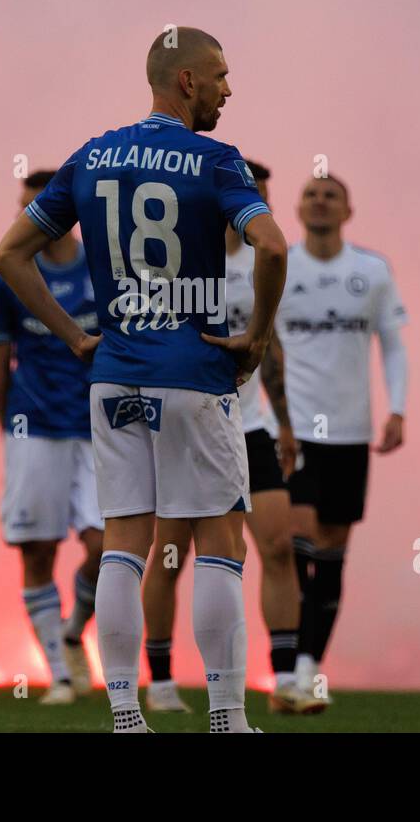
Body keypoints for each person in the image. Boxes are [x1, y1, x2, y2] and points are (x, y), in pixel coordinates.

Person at [0, 26, 287, 733]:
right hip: (193, 374)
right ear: (185, 81)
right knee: (220, 541)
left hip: (115, 375)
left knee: (126, 542)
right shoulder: (216, 161)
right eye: (219, 74)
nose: (228, 88)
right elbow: (272, 245)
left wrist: (73, 337)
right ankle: (226, 715)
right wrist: (257, 335)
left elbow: (9, 254)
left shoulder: (93, 155)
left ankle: (124, 711)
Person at [141, 160, 322, 714]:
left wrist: (286, 422)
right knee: (171, 553)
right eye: (250, 196)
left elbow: (267, 347)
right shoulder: (182, 256)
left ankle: (286, 680)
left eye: (263, 198)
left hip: (250, 425)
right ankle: (163, 679)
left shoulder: (263, 264)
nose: (255, 209)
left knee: (278, 545)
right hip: (190, 423)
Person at [278, 175, 409, 700]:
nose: (320, 201)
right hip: (294, 430)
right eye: (311, 193)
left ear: (348, 210)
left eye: (331, 195)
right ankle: (285, 664)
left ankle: (307, 669)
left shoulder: (371, 271)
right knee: (293, 536)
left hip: (350, 433)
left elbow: (393, 345)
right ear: (297, 207)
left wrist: (397, 409)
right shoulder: (280, 266)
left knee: (332, 548)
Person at [0, 170, 103, 705]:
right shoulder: (10, 277)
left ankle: (74, 629)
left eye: (35, 207)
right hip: (34, 427)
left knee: (105, 548)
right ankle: (58, 673)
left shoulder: (104, 270)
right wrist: (11, 431)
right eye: (21, 207)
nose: (25, 218)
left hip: (99, 426)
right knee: (37, 551)